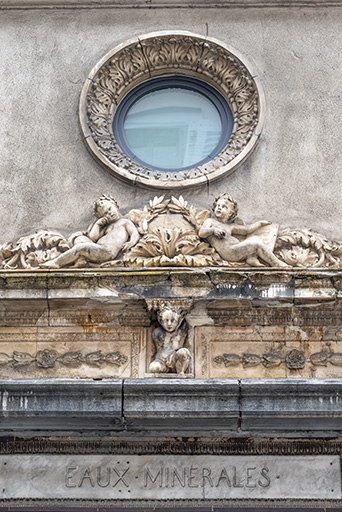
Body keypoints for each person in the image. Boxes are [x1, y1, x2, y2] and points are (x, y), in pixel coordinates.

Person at [42, 195, 139, 268]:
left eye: (110, 209)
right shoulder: (106, 227)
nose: (109, 213)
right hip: (99, 249)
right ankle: (80, 260)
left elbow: (134, 233)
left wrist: (131, 242)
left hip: (107, 252)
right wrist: (98, 224)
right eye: (106, 213)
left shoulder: (125, 222)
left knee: (81, 247)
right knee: (80, 239)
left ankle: (57, 263)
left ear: (116, 206)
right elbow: (93, 238)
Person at [198, 193, 288, 267]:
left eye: (224, 206)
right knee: (256, 244)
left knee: (256, 238)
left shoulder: (230, 227)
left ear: (231, 213)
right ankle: (276, 263)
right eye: (218, 205)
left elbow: (247, 230)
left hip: (236, 248)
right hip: (230, 252)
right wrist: (213, 230)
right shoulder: (210, 221)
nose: (219, 207)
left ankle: (251, 258)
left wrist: (259, 223)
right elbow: (201, 233)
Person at [149, 303, 191, 375]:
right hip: (161, 360)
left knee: (183, 352)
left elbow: (180, 348)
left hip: (174, 359)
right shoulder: (158, 332)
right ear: (160, 320)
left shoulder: (182, 333)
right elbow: (157, 349)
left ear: (179, 320)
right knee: (154, 368)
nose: (169, 324)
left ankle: (180, 372)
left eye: (172, 320)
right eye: (166, 320)